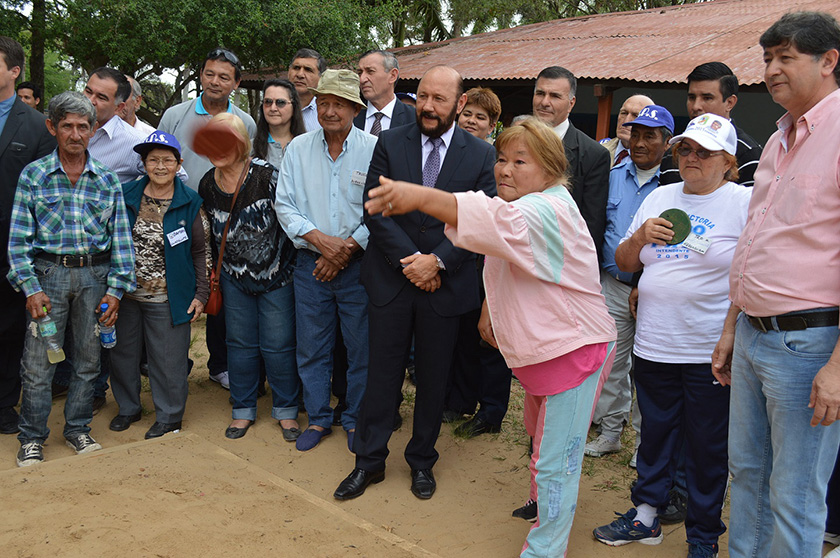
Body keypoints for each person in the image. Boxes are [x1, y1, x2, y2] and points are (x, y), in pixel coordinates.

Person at [363, 116, 616, 557]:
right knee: (539, 437)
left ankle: (544, 548)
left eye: (521, 161)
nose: (505, 169)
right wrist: (489, 308)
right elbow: (503, 254)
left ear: (552, 169)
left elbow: (493, 222)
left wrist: (417, 195)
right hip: (546, 350)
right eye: (502, 158)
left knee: (558, 459)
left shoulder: (546, 208)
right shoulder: (532, 202)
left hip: (575, 350)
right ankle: (540, 502)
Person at [333, 65, 496, 502]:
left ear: (460, 103)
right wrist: (413, 263)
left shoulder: (481, 155)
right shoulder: (390, 141)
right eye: (423, 96)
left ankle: (422, 461)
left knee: (433, 378)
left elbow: (480, 222)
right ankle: (368, 462)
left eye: (439, 99)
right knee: (381, 376)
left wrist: (438, 263)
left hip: (444, 287)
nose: (427, 106)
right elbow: (375, 208)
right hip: (392, 280)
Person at [711, 12, 840, 558]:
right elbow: (754, 243)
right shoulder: (777, 139)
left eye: (786, 57)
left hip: (809, 346)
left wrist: (838, 368)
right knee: (745, 475)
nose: (771, 69)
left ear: (828, 61)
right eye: (768, 58)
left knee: (793, 494)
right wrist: (729, 328)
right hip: (754, 337)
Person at [594, 114, 750, 558]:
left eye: (704, 151)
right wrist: (641, 236)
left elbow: (748, 273)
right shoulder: (660, 196)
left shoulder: (742, 203)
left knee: (706, 447)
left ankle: (703, 537)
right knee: (655, 436)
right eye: (685, 148)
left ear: (728, 161)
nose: (691, 157)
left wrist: (731, 332)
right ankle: (646, 516)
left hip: (707, 351)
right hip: (654, 344)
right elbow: (625, 261)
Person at [6, 91, 135, 466]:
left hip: (95, 278)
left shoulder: (107, 180)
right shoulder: (34, 175)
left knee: (88, 360)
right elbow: (17, 243)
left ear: (93, 130)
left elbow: (121, 241)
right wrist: (30, 288)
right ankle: (31, 437)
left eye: (83, 126)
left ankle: (78, 428)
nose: (75, 134)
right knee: (38, 363)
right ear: (52, 127)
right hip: (47, 278)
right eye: (67, 126)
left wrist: (116, 291)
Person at [275, 69, 377, 451]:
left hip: (358, 266)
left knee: (360, 347)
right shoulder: (298, 149)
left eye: (339, 104)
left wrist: (346, 249)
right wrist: (322, 242)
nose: (330, 110)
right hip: (310, 264)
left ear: (354, 108)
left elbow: (379, 210)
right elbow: (284, 205)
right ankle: (318, 418)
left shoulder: (373, 149)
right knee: (312, 346)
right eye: (325, 103)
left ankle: (353, 418)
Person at [159, 47, 257, 391]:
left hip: (227, 219)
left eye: (224, 77)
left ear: (236, 83)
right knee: (181, 287)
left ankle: (220, 364)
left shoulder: (245, 122)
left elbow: (246, 169)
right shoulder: (174, 115)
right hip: (182, 216)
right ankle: (172, 365)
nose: (215, 82)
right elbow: (161, 160)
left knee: (220, 289)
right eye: (209, 74)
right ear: (201, 75)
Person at [198, 113, 298, 441]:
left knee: (278, 345)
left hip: (277, 275)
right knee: (239, 344)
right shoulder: (207, 185)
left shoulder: (269, 176)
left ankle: (285, 409)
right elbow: (210, 236)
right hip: (233, 277)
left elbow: (291, 219)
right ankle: (242, 409)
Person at [586, 105, 673, 460]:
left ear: (667, 142)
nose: (639, 142)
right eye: (635, 133)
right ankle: (610, 432)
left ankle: (643, 445)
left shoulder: (673, 185)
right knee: (611, 363)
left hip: (652, 292)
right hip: (612, 285)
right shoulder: (613, 174)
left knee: (647, 372)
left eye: (649, 136)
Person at [109, 131, 208, 439]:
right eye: (154, 160)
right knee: (122, 354)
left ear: (179, 164)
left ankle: (168, 416)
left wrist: (201, 294)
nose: (161, 166)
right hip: (125, 293)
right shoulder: (126, 195)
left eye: (168, 160)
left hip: (169, 296)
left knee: (168, 359)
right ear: (144, 163)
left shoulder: (190, 201)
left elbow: (202, 250)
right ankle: (128, 407)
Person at [445, 85, 510, 438]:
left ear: (493, 124)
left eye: (481, 117)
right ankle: (458, 401)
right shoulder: (446, 151)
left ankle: (492, 410)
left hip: (487, 261)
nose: (472, 120)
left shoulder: (496, 160)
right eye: (468, 113)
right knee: (459, 338)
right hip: (452, 259)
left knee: (489, 340)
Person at [0, 37, 56, 435]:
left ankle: (4, 405)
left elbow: (45, 195)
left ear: (14, 71)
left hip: (13, 246)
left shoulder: (37, 126)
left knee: (8, 329)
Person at [532, 66, 610, 258]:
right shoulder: (514, 142)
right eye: (540, 93)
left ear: (571, 103)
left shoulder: (593, 155)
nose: (544, 102)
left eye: (555, 96)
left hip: (560, 262)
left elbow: (591, 226)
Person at [660, 62, 763, 187]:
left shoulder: (748, 152)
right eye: (692, 97)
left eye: (707, 98)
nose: (696, 106)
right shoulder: (675, 150)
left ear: (730, 102)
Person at [83, 67, 148, 184]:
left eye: (101, 97)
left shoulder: (135, 142)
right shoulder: (59, 127)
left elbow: (178, 176)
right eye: (88, 92)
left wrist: (131, 196)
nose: (90, 100)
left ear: (119, 107)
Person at [353, 49, 414, 136]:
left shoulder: (414, 119)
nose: (362, 79)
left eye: (370, 71)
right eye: (360, 73)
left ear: (392, 76)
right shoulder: (350, 116)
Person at [252, 79, 305, 170]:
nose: (273, 108)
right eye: (268, 102)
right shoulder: (249, 148)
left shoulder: (306, 146)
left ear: (294, 107)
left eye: (280, 102)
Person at [599, 94, 654, 167]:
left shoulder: (657, 159)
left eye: (635, 115)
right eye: (624, 113)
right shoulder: (599, 150)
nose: (626, 121)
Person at [288, 48, 326, 132]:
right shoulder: (274, 106)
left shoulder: (327, 113)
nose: (300, 75)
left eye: (308, 70)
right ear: (289, 72)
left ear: (321, 78)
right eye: (296, 68)